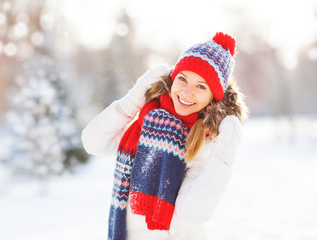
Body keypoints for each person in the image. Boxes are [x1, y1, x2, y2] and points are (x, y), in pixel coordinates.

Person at [82, 32, 248, 240]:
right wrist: (134, 99)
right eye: (183, 79)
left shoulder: (204, 143)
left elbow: (193, 213)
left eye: (201, 86)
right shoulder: (144, 124)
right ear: (172, 78)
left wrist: (224, 156)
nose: (187, 92)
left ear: (213, 97)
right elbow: (93, 141)